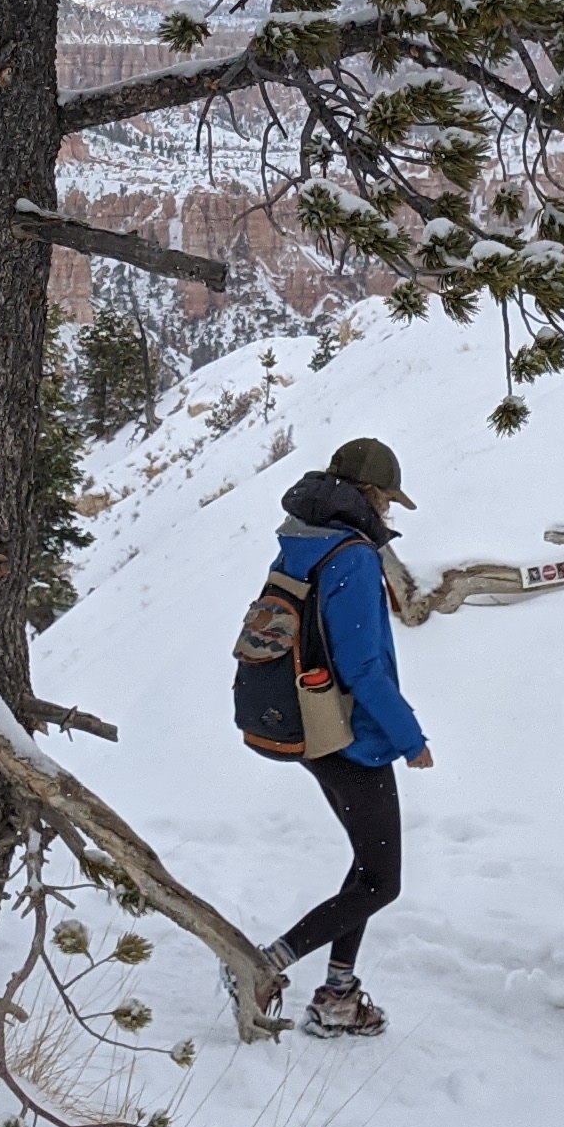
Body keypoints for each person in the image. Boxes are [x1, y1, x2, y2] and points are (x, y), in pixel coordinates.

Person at [232, 439, 431, 1039]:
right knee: (381, 880)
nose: (389, 513)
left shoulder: (299, 539)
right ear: (371, 496)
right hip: (350, 735)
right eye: (387, 501)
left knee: (367, 867)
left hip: (303, 719)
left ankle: (338, 995)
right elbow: (364, 666)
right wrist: (409, 737)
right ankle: (261, 967)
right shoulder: (353, 557)